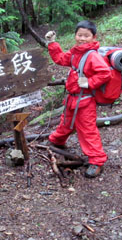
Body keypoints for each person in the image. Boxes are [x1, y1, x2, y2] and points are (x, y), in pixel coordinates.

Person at [45, 20, 110, 178]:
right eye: (79, 35)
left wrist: (89, 82)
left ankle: (97, 161)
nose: (82, 38)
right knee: (66, 122)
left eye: (86, 36)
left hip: (85, 100)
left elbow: (105, 73)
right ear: (75, 36)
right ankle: (57, 141)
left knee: (87, 130)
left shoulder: (92, 55)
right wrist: (52, 43)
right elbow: (60, 58)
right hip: (72, 98)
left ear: (94, 37)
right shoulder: (75, 53)